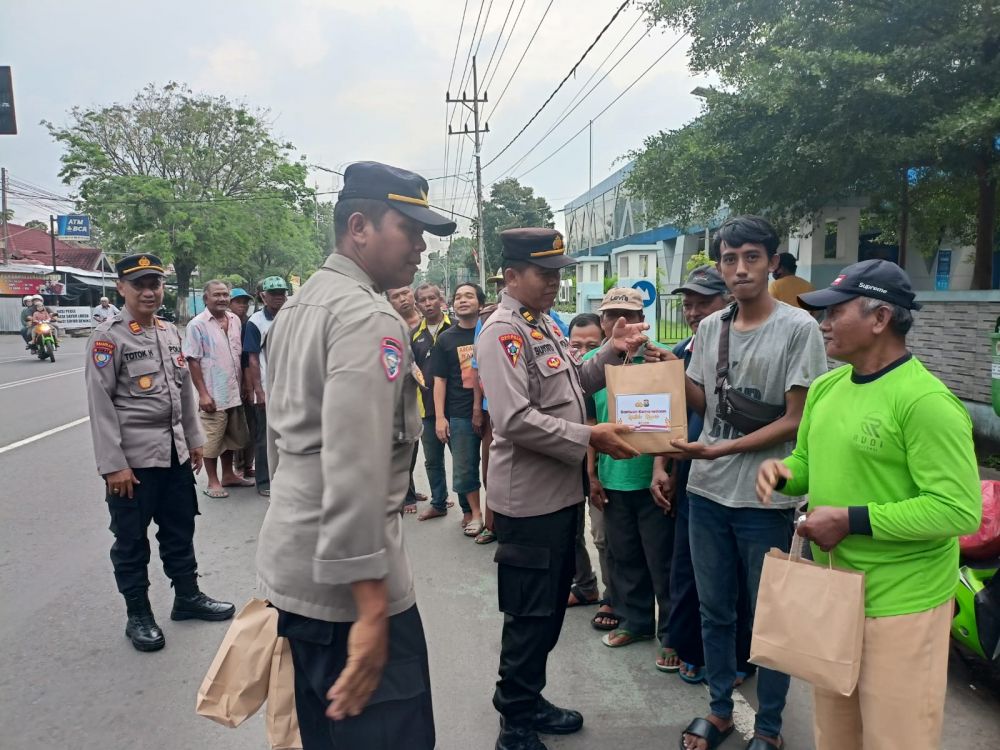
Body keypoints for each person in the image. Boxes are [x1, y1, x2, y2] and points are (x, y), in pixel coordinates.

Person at [256, 161, 456, 749]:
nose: (420, 246)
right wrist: (371, 612)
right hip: (352, 587)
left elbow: (281, 442)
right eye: (410, 229)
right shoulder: (370, 318)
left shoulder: (299, 306)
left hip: (297, 563)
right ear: (360, 226)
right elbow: (353, 464)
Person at [756, 259, 981, 750]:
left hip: (903, 605)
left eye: (835, 312)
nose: (823, 324)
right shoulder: (827, 388)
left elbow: (958, 509)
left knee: (895, 739)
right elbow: (808, 462)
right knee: (835, 735)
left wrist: (853, 520)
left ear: (880, 318)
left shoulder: (925, 402)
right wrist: (784, 473)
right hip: (834, 593)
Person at [477, 227, 650, 750]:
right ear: (512, 276)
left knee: (550, 609)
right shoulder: (502, 332)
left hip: (558, 496)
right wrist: (589, 436)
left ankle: (529, 699)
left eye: (558, 273)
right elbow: (512, 419)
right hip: (528, 503)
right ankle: (514, 720)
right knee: (529, 615)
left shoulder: (540, 325)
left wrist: (613, 353)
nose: (555, 283)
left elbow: (571, 385)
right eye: (544, 273)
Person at [672, 216, 827, 750]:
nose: (740, 269)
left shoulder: (798, 329)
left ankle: (770, 727)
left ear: (771, 262)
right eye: (730, 258)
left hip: (766, 499)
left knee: (772, 619)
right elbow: (704, 403)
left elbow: (795, 419)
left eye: (751, 258)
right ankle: (718, 710)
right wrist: (657, 371)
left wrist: (721, 448)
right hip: (706, 493)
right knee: (715, 610)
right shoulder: (709, 328)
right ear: (719, 264)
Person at [84, 253, 235, 653]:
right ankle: (139, 615)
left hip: (175, 456)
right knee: (131, 540)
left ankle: (187, 597)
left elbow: (183, 394)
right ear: (121, 288)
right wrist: (113, 465)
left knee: (180, 528)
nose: (149, 292)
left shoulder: (169, 333)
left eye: (155, 284)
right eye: (140, 285)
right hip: (133, 463)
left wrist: (195, 442)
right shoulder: (108, 337)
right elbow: (100, 406)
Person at [651, 265, 754, 685]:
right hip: (691, 469)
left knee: (738, 572)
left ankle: (740, 656)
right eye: (688, 304)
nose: (693, 312)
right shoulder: (679, 351)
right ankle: (688, 646)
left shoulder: (744, 350)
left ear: (726, 302)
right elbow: (669, 417)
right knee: (688, 565)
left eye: (702, 303)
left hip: (741, 469)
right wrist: (662, 465)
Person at [582, 289, 675, 669]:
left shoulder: (661, 358)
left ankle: (670, 634)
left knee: (662, 561)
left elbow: (674, 421)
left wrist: (661, 468)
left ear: (643, 318)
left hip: (652, 479)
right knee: (624, 556)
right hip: (612, 477)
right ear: (603, 320)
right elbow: (588, 424)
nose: (620, 321)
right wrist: (591, 475)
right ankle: (637, 621)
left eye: (629, 314)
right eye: (612, 315)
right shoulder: (590, 364)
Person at [565, 313, 618, 630]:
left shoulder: (611, 375)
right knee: (567, 532)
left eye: (592, 345)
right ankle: (584, 585)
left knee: (602, 536)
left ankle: (611, 596)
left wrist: (593, 472)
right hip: (567, 466)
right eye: (575, 344)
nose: (582, 351)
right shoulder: (561, 375)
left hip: (599, 467)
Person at [422, 282, 486, 535]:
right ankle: (475, 513)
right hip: (459, 412)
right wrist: (440, 417)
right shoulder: (446, 339)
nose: (462, 300)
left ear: (480, 303)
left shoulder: (489, 332)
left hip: (492, 408)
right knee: (465, 465)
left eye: (469, 296)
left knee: (495, 466)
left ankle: (493, 516)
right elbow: (439, 381)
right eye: (458, 296)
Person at [183, 280, 251, 499]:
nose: (222, 299)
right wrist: (203, 393)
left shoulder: (235, 320)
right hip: (213, 393)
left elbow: (238, 356)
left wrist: (243, 385)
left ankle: (229, 475)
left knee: (231, 437)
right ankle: (213, 481)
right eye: (217, 295)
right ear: (206, 298)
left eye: (225, 295)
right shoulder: (197, 324)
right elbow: (193, 361)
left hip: (234, 391)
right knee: (212, 441)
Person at [243, 276, 289, 498]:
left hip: (290, 387)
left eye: (282, 292)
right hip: (267, 386)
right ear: (263, 296)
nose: (279, 296)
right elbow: (252, 359)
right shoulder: (255, 322)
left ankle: (284, 477)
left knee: (289, 433)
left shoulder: (291, 317)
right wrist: (258, 391)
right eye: (274, 293)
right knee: (264, 437)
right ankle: (263, 481)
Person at [411, 283, 452, 516]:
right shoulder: (414, 335)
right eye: (423, 300)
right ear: (417, 305)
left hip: (456, 407)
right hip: (426, 408)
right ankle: (438, 503)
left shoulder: (456, 328)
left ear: (440, 299)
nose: (428, 304)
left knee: (464, 461)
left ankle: (471, 509)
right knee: (433, 460)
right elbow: (411, 368)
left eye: (431, 298)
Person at [388, 285, 426, 513]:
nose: (402, 299)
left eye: (405, 293)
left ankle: (411, 490)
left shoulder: (426, 319)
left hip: (427, 390)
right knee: (406, 446)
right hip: (403, 393)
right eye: (396, 296)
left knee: (419, 444)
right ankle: (406, 494)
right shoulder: (390, 325)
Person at [228, 287, 256, 479]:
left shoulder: (249, 323)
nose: (243, 305)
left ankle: (248, 464)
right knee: (237, 426)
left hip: (250, 379)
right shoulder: (228, 323)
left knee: (252, 424)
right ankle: (238, 465)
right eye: (238, 301)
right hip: (232, 381)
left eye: (245, 302)